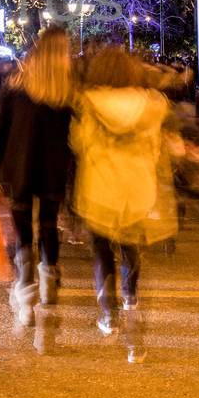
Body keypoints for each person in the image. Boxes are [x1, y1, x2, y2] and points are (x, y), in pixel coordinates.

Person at [70, 47, 177, 362]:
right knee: (131, 253)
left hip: (100, 191)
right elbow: (156, 149)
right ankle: (133, 326)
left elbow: (80, 144)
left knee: (103, 253)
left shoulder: (88, 103)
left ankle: (108, 314)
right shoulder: (152, 105)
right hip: (137, 191)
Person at [0, 26, 76, 332]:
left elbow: (0, 129)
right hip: (53, 169)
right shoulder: (66, 92)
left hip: (20, 167)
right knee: (49, 224)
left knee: (23, 227)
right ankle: (49, 279)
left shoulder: (16, 85)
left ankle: (26, 287)